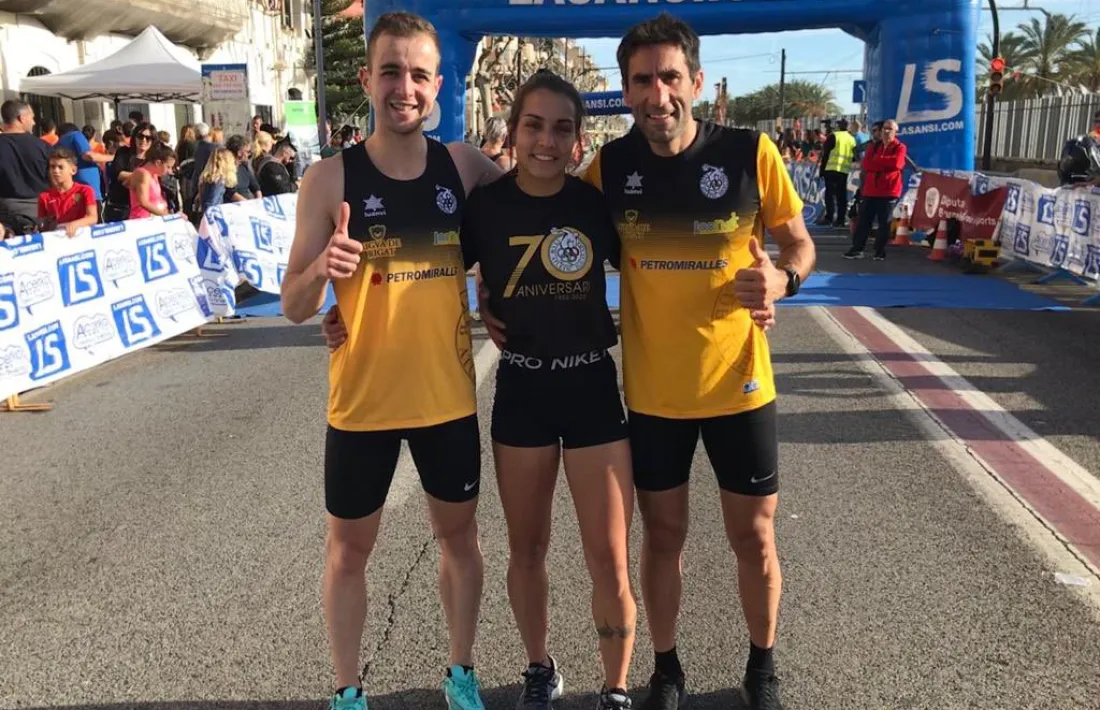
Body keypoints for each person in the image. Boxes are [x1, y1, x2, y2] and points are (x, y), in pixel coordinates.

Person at [478, 13, 814, 710]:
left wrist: (784, 279)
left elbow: (798, 242)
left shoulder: (751, 154)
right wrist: (492, 295)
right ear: (625, 93)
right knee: (663, 538)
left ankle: (762, 667)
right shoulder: (608, 171)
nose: (657, 93)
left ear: (696, 82)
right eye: (641, 80)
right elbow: (542, 212)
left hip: (741, 387)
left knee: (753, 536)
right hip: (655, 396)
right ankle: (665, 669)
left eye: (669, 77)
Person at [278, 11, 501, 710]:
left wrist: (494, 290)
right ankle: (348, 690)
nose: (404, 87)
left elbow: (529, 209)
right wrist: (322, 270)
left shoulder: (465, 168)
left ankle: (460, 671)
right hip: (363, 402)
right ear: (366, 79)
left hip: (445, 400)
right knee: (348, 553)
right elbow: (290, 301)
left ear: (436, 85)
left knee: (458, 541)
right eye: (391, 72)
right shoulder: (328, 180)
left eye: (418, 74)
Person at [462, 70, 636, 710]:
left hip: (592, 386)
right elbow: (419, 273)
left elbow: (660, 265)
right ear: (513, 134)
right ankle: (539, 668)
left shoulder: (597, 204)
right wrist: (344, 311)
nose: (546, 141)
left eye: (561, 128)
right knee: (527, 549)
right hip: (524, 391)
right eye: (533, 125)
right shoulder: (485, 206)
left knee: (609, 556)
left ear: (577, 139)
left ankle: (615, 687)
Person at [844, 119, 907, 261]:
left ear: (895, 131)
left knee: (884, 222)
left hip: (889, 190)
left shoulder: (900, 147)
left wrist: (878, 161)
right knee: (863, 221)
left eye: (889, 129)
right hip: (871, 190)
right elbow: (867, 165)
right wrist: (884, 163)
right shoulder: (873, 146)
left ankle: (879, 251)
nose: (886, 131)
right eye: (884, 128)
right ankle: (857, 249)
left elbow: (897, 164)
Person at [37, 147, 98, 236]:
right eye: (52, 167)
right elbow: (42, 226)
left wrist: (74, 224)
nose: (55, 171)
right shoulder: (44, 196)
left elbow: (93, 218)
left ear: (73, 170)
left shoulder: (85, 190)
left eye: (60, 167)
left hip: (81, 238)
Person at [815, 118, 855, 228]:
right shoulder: (852, 139)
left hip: (831, 169)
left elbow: (826, 154)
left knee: (830, 195)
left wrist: (821, 170)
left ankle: (829, 218)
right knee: (841, 196)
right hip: (844, 170)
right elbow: (854, 156)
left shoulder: (834, 136)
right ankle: (840, 220)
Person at [127, 142, 174, 219]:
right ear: (158, 163)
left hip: (153, 220)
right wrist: (167, 216)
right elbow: (144, 202)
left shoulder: (154, 174)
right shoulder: (143, 174)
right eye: (168, 167)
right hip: (142, 221)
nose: (169, 171)